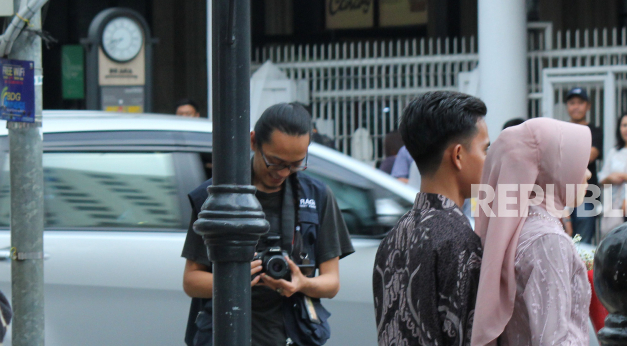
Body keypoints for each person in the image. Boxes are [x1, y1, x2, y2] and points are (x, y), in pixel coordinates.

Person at [181, 103, 354, 346]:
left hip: (292, 335)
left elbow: (331, 283)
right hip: (224, 334)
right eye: (275, 162)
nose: (284, 172)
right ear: (253, 142)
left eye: (295, 164)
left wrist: (301, 283)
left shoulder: (316, 196)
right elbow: (191, 281)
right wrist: (233, 280)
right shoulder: (216, 197)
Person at [373, 91, 489, 346]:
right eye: (485, 149)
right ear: (458, 155)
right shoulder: (459, 240)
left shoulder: (393, 237)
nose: (489, 161)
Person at [471, 118, 593, 346]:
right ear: (551, 172)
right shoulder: (548, 240)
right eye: (577, 163)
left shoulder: (516, 227)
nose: (587, 174)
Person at [565, 87, 602, 243]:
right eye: (572, 103)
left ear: (588, 106)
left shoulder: (595, 131)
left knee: (583, 243)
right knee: (561, 241)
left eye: (580, 103)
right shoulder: (561, 130)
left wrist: (566, 155)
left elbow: (591, 155)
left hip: (587, 195)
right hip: (562, 194)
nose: (576, 106)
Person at [597, 111, 627, 236]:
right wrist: (610, 178)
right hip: (614, 206)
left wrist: (623, 177)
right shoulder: (614, 152)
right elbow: (602, 178)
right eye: (624, 125)